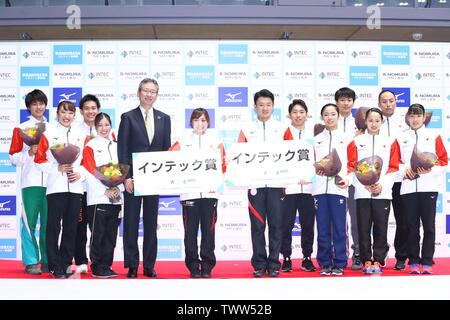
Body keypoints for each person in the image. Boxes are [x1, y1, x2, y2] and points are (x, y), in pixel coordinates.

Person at [117, 78, 171, 278]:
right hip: (133, 180)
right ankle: (132, 265)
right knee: (131, 222)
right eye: (146, 91)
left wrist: (165, 177)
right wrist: (126, 178)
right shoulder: (128, 118)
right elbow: (122, 151)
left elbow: (165, 150)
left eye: (153, 91)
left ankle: (149, 265)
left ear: (157, 95)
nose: (149, 94)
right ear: (138, 92)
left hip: (153, 180)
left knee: (151, 223)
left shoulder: (164, 118)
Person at [170, 108, 225, 278]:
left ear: (208, 122)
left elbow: (223, 166)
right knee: (190, 232)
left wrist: (224, 163)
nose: (200, 124)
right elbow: (169, 162)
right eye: (196, 120)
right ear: (191, 122)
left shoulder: (216, 141)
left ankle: (207, 265)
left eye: (203, 120)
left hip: (210, 193)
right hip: (189, 194)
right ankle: (193, 265)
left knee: (209, 231)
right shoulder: (182, 141)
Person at [237, 89, 287, 277]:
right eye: (261, 105)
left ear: (273, 106)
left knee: (276, 225)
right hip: (255, 185)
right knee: (257, 226)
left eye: (268, 104)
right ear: (255, 106)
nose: (265, 108)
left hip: (276, 184)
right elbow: (239, 157)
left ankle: (274, 263)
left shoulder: (283, 128)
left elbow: (291, 157)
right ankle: (259, 263)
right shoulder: (246, 129)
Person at [34, 101, 86, 278]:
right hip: (56, 187)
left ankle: (65, 264)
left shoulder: (81, 134)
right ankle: (54, 265)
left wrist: (80, 173)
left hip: (76, 188)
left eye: (71, 113)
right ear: (57, 113)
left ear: (74, 115)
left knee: (71, 228)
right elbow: (39, 160)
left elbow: (87, 162)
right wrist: (56, 169)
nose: (67, 116)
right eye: (64, 112)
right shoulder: (48, 134)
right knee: (53, 227)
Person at [347, 108, 401, 274]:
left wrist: (381, 185)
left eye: (377, 120)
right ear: (366, 121)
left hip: (382, 193)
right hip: (362, 193)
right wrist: (362, 183)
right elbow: (350, 166)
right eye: (370, 120)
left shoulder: (391, 141)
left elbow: (394, 167)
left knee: (381, 227)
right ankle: (366, 260)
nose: (373, 123)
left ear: (382, 122)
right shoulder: (356, 141)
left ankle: (378, 259)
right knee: (362, 228)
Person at [399, 103, 448, 274]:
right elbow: (394, 161)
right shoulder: (401, 137)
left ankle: (427, 261)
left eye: (418, 115)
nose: (414, 119)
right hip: (408, 188)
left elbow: (443, 160)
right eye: (411, 116)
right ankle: (413, 261)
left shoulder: (434, 135)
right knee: (411, 226)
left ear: (424, 117)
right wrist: (403, 169)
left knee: (429, 226)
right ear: (407, 117)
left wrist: (430, 170)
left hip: (429, 187)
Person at [9, 89, 49, 275]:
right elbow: (13, 158)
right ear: (28, 107)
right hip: (30, 182)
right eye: (34, 104)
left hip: (52, 182)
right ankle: (31, 261)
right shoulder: (21, 128)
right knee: (29, 223)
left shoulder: (54, 128)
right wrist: (29, 153)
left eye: (41, 103)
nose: (38, 107)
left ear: (45, 105)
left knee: (51, 223)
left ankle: (49, 259)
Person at [81, 112, 122, 278]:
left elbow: (123, 170)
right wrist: (104, 190)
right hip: (98, 198)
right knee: (98, 233)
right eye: (100, 125)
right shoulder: (90, 146)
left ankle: (107, 265)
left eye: (106, 125)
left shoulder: (117, 145)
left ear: (110, 126)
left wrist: (119, 188)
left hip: (116, 198)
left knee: (111, 234)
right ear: (95, 127)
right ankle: (97, 266)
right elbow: (89, 172)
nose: (104, 128)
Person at [313, 103, 350, 276]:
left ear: (338, 116)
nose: (329, 117)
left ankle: (340, 262)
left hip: (339, 189)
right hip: (319, 188)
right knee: (322, 227)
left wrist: (348, 179)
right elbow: (310, 163)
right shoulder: (316, 139)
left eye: (333, 114)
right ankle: (325, 262)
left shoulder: (347, 137)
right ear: (322, 117)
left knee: (339, 227)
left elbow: (352, 163)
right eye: (326, 114)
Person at [280, 99, 316, 272]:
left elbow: (321, 159)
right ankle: (286, 258)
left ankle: (307, 257)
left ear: (306, 114)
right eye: (294, 112)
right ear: (289, 115)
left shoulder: (315, 133)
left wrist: (312, 176)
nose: (298, 115)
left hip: (309, 188)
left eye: (301, 111)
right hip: (288, 187)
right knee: (285, 225)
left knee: (308, 225)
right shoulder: (282, 133)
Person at [377, 89, 409, 271]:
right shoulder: (373, 122)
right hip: (378, 181)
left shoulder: (404, 124)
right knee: (379, 221)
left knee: (402, 220)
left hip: (399, 180)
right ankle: (379, 256)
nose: (388, 104)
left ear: (395, 102)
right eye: (384, 101)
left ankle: (400, 256)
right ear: (379, 103)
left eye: (391, 101)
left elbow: (407, 152)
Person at [71, 94, 102, 275]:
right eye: (87, 108)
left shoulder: (106, 129)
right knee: (80, 226)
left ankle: (99, 261)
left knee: (99, 227)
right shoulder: (75, 131)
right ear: (81, 111)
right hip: (81, 187)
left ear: (98, 110)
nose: (91, 111)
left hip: (100, 189)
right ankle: (81, 261)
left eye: (94, 108)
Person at [334, 87, 363, 271]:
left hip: (354, 179)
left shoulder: (361, 124)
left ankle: (358, 254)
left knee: (356, 220)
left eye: (349, 100)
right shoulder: (328, 123)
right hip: (333, 180)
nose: (345, 103)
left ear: (353, 102)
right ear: (336, 102)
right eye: (342, 100)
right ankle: (338, 254)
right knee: (336, 220)